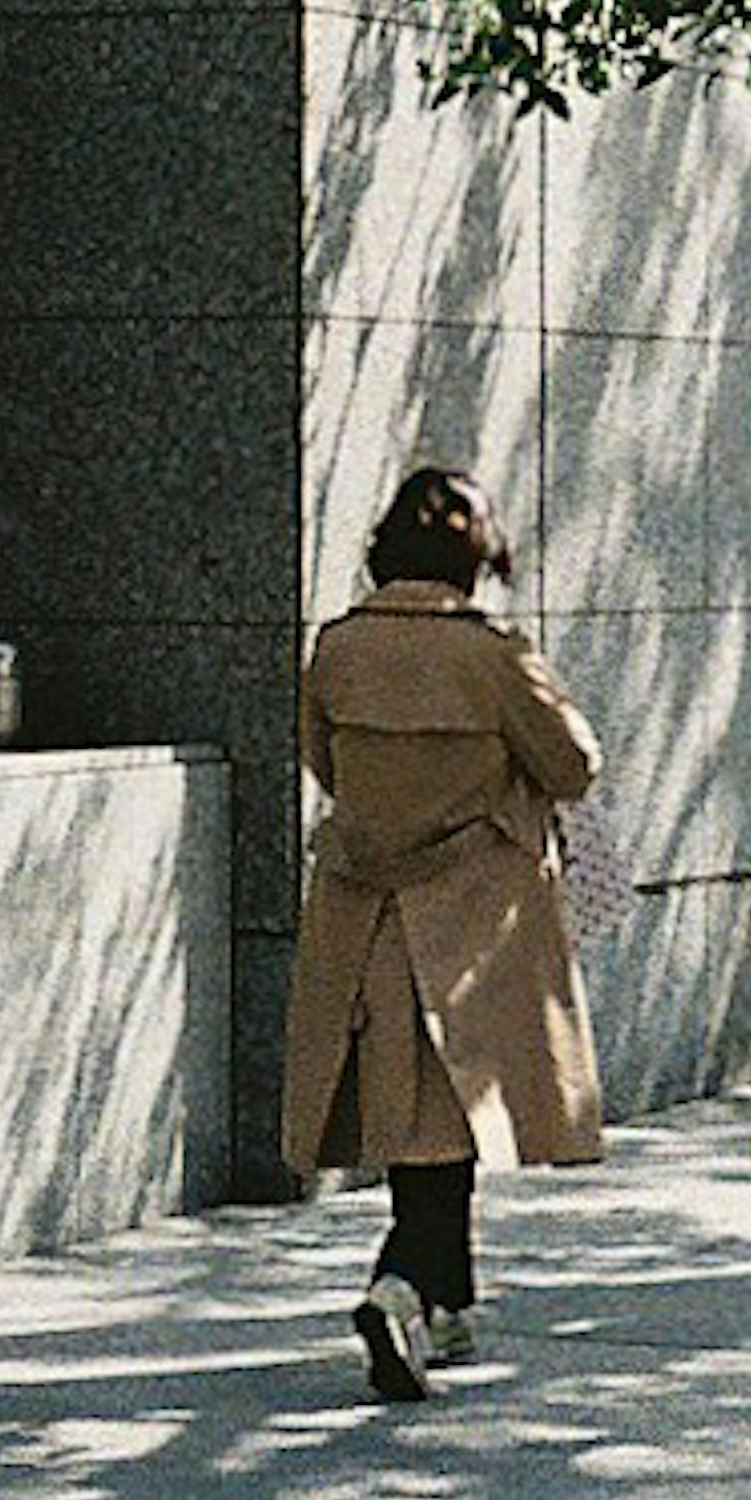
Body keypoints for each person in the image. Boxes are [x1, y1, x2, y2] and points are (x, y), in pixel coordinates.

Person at [280, 464, 608, 1398]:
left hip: (362, 914)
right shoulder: (492, 652)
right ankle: (399, 1291)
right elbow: (575, 765)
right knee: (450, 1124)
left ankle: (450, 1305)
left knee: (417, 1126)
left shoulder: (338, 648)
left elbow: (324, 763)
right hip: (469, 924)